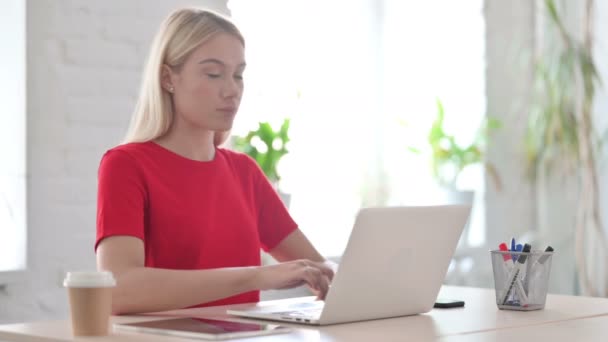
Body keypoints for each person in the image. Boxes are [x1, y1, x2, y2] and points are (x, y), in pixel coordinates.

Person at [95, 8, 334, 315]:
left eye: (238, 75)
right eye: (213, 74)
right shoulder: (126, 165)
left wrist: (336, 273)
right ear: (168, 78)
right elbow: (118, 290)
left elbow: (319, 266)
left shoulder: (243, 172)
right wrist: (257, 276)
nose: (232, 90)